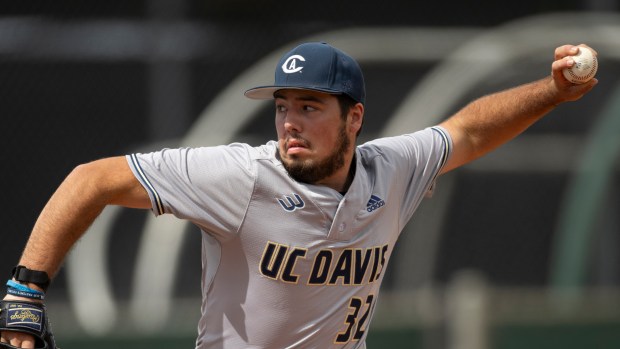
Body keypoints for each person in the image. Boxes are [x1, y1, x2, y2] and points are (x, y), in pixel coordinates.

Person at [1, 41, 597, 348]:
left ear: (354, 117)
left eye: (310, 107)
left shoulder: (391, 170)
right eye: (283, 107)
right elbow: (91, 179)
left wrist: (551, 90)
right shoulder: (240, 177)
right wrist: (24, 289)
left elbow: (467, 131)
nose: (289, 122)